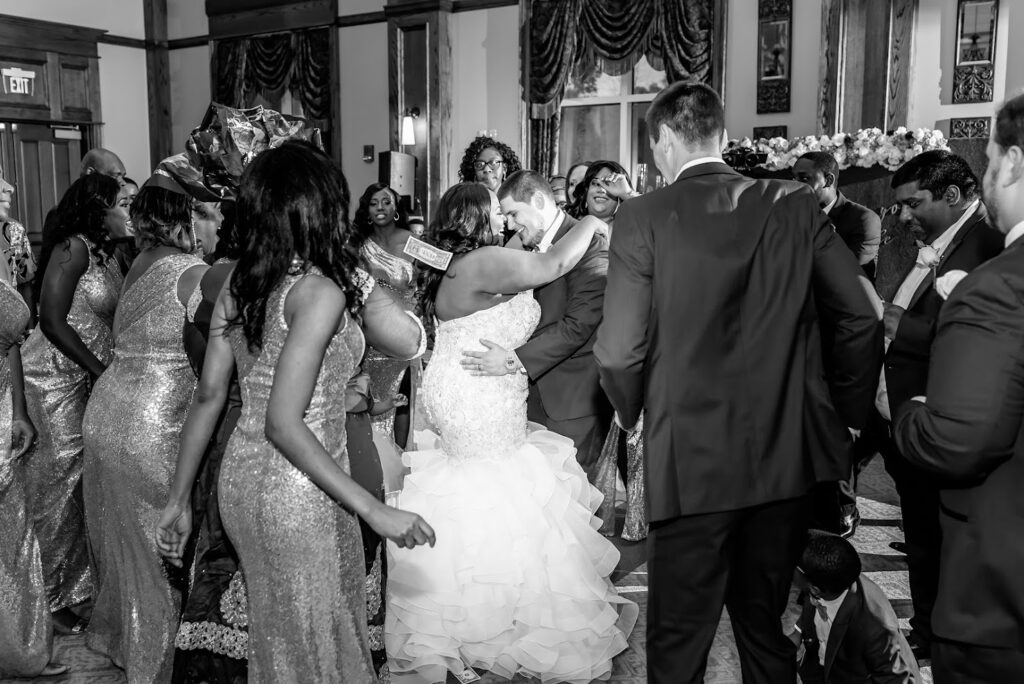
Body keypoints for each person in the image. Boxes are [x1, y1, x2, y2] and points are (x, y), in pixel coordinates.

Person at [595, 81, 882, 683]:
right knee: (763, 627)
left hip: (690, 459)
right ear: (722, 138)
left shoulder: (644, 215)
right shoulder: (795, 202)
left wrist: (628, 412)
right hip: (782, 460)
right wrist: (846, 416)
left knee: (678, 641)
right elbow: (863, 314)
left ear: (665, 140)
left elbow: (620, 352)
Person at [155, 141, 431, 681]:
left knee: (285, 639)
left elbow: (210, 396)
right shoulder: (319, 291)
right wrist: (375, 512)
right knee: (316, 637)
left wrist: (178, 499)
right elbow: (284, 421)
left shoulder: (239, 280)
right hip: (302, 487)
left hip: (241, 481)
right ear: (322, 208)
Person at [387, 182, 636, 683]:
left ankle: (472, 613)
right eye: (497, 214)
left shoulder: (450, 263)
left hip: (465, 384)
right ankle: (501, 620)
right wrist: (591, 221)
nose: (505, 222)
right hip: (479, 387)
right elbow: (550, 268)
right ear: (478, 218)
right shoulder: (483, 262)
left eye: (510, 212)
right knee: (498, 486)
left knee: (476, 487)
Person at [892, 93, 1024, 683]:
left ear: (1013, 164)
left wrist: (914, 414)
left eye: (992, 161)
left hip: (997, 594)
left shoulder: (995, 277)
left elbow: (960, 440)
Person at [80, 171, 219, 683]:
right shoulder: (193, 272)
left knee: (124, 544)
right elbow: (212, 361)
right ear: (186, 219)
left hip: (108, 408)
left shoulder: (136, 262)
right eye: (206, 211)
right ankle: (160, 663)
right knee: (164, 547)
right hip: (152, 421)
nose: (217, 219)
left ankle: (128, 644)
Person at [875, 149, 1003, 660]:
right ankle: (928, 626)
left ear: (953, 196)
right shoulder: (942, 241)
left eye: (914, 203)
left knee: (937, 536)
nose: (904, 216)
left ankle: (937, 632)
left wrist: (895, 326)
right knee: (923, 532)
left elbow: (977, 333)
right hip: (911, 415)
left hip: (943, 418)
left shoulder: (988, 247)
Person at [19, 175, 131, 634]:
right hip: (52, 379)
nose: (130, 209)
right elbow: (49, 319)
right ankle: (48, 598)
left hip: (83, 376)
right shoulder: (74, 248)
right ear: (98, 209)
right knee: (55, 484)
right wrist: (96, 369)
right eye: (123, 203)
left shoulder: (111, 252)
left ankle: (76, 585)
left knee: (79, 483)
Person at [465, 170, 612, 483]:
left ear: (539, 200)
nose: (511, 225)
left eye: (515, 214)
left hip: (571, 399)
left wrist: (511, 359)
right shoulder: (520, 244)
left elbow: (578, 326)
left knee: (570, 503)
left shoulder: (590, 245)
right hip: (524, 397)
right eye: (505, 216)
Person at [0, 214, 69, 679]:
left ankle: (19, 648)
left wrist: (19, 409)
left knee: (14, 530)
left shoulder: (9, 239)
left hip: (1, 402)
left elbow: (11, 344)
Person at [795, 533, 919, 683]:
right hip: (827, 668)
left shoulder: (873, 625)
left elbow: (895, 678)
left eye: (794, 566)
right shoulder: (829, 582)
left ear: (814, 589)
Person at [353, 182, 418, 454]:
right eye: (374, 203)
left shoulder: (414, 242)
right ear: (367, 211)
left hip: (409, 334)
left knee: (407, 400)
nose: (380, 207)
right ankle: (379, 461)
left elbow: (442, 271)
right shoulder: (357, 246)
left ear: (396, 209)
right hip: (372, 337)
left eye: (386, 202)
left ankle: (402, 461)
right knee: (376, 402)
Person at [793, 152, 881, 280]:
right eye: (794, 178)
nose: (795, 185)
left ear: (828, 180)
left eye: (804, 179)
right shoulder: (790, 214)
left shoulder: (863, 219)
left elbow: (849, 276)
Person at [566, 160, 638, 235]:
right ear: (586, 191)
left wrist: (627, 193)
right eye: (596, 184)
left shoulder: (634, 228)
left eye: (608, 184)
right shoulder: (569, 225)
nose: (601, 190)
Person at [458, 135, 522, 193]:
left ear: (504, 169)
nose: (486, 169)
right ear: (473, 172)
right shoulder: (466, 203)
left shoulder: (515, 203)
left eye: (493, 163)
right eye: (480, 165)